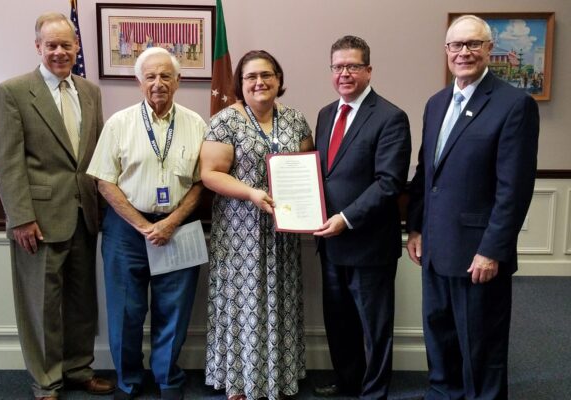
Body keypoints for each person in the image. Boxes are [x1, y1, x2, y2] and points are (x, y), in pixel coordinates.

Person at [406, 15, 540, 399]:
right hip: (434, 247)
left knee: (481, 347)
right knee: (440, 335)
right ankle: (443, 393)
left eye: (472, 44)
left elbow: (513, 189)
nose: (463, 52)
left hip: (478, 254)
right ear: (446, 51)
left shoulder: (514, 104)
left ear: (489, 50)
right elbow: (425, 173)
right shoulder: (436, 104)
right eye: (456, 45)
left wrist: (491, 250)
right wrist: (416, 228)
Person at [0, 12, 114, 400]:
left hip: (84, 214)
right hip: (38, 220)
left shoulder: (90, 91)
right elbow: (7, 162)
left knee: (81, 301)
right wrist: (21, 217)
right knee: (41, 304)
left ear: (77, 47)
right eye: (52, 45)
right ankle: (46, 381)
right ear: (38, 47)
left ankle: (79, 369)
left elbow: (96, 155)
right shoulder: (12, 91)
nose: (60, 52)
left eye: (66, 45)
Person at [87, 47, 206, 400]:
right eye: (150, 76)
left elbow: (202, 181)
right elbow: (104, 181)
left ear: (178, 81)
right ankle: (129, 381)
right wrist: (142, 224)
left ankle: (168, 379)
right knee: (126, 312)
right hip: (126, 231)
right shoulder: (119, 123)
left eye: (165, 76)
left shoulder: (197, 124)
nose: (158, 83)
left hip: (179, 227)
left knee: (175, 310)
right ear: (139, 82)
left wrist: (170, 222)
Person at [200, 50, 313, 400]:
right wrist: (251, 193)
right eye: (251, 77)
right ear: (240, 83)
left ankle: (278, 377)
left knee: (280, 298)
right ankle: (240, 380)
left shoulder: (295, 119)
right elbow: (210, 174)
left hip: (283, 231)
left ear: (279, 80)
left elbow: (307, 167)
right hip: (239, 232)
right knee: (241, 301)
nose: (259, 82)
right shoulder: (225, 121)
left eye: (267, 75)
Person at [313, 35, 411, 400]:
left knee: (374, 327)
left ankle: (373, 393)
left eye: (353, 66)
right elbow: (323, 175)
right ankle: (348, 382)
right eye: (338, 67)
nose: (345, 74)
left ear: (368, 70)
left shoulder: (390, 117)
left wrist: (345, 219)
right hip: (330, 243)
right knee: (339, 324)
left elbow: (388, 183)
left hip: (369, 245)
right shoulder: (326, 114)